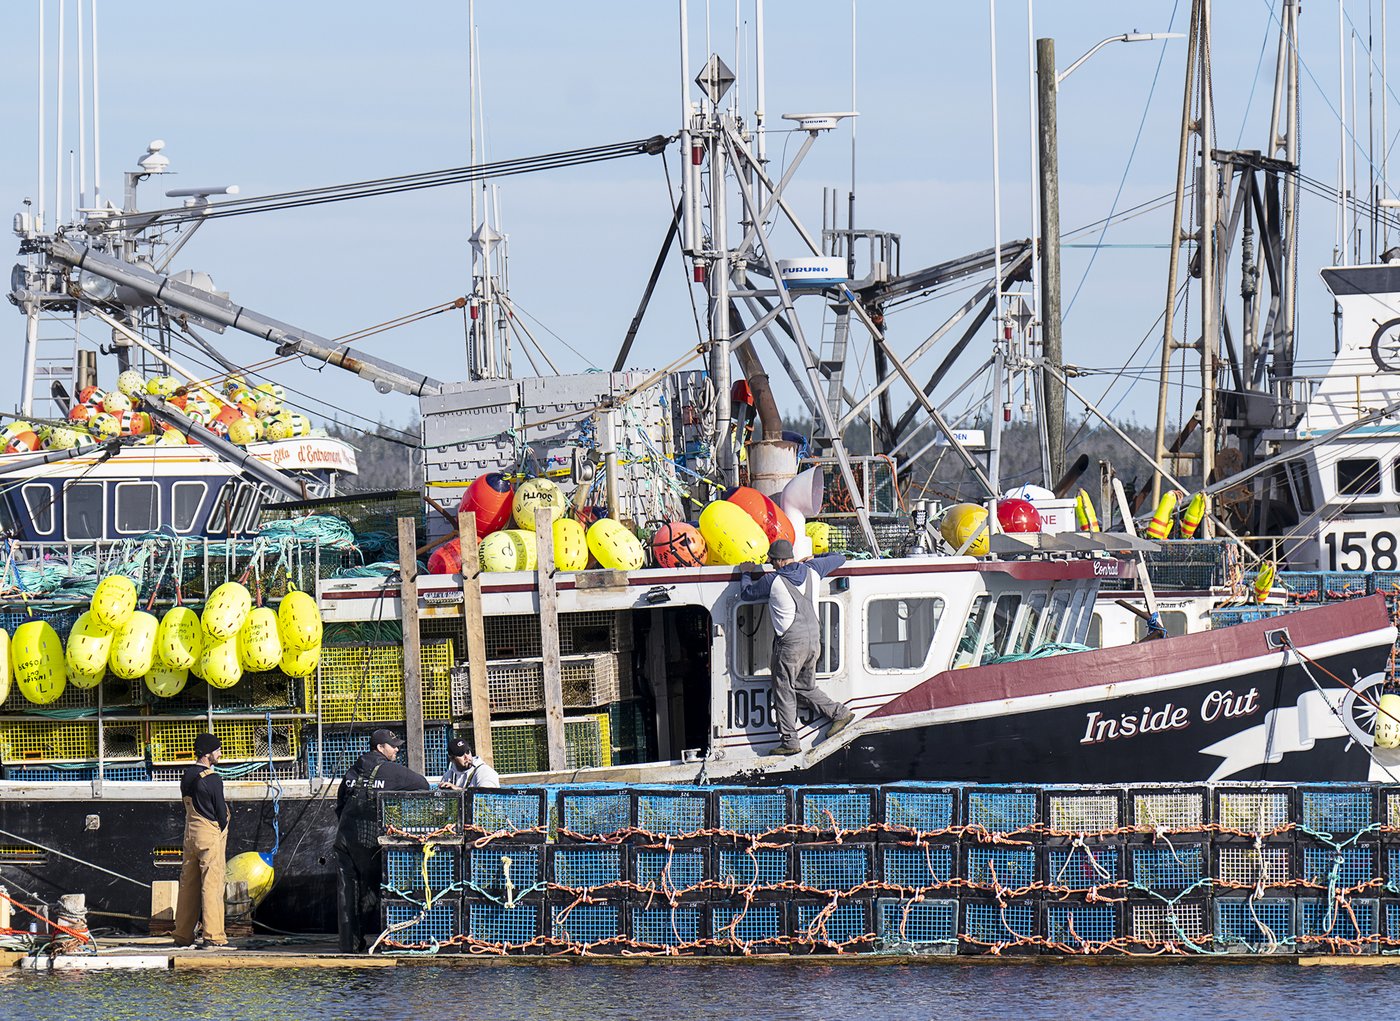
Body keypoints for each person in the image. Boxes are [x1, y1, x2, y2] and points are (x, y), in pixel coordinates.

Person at [740, 538, 855, 756]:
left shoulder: (772, 580)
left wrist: (745, 573)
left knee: (783, 691)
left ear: (780, 561)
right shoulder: (813, 569)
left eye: (772, 561)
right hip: (814, 641)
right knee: (804, 687)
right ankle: (840, 714)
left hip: (791, 645)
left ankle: (790, 742)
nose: (771, 565)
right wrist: (815, 557)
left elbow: (746, 594)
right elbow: (839, 558)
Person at [333, 728, 429, 953]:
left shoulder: (352, 771)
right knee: (373, 891)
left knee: (346, 892)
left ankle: (349, 946)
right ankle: (384, 941)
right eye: (393, 745)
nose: (397, 749)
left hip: (344, 839)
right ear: (380, 748)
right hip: (370, 843)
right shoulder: (392, 771)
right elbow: (423, 784)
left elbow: (339, 805)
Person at [173, 733, 231, 949]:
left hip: (190, 834)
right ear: (208, 754)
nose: (220, 753)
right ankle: (213, 936)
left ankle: (182, 935)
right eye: (217, 750)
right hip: (209, 834)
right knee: (212, 884)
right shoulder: (212, 778)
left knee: (188, 884)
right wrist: (222, 828)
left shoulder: (187, 775)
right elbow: (220, 812)